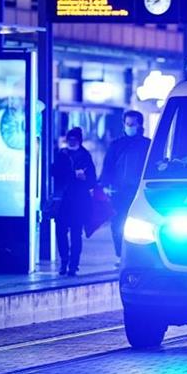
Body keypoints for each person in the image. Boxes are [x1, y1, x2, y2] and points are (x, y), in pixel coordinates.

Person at [99, 110, 152, 264]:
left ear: (139, 125)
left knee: (139, 225)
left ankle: (135, 256)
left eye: (132, 124)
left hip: (138, 192)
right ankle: (121, 254)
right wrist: (105, 185)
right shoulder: (117, 145)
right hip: (119, 192)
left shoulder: (147, 145)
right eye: (127, 124)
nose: (129, 127)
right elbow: (108, 166)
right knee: (117, 224)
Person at [53, 127, 96, 276]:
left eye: (74, 139)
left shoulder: (85, 156)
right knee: (61, 232)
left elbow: (92, 180)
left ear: (79, 140)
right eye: (69, 139)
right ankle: (64, 261)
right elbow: (55, 172)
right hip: (63, 200)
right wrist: (73, 174)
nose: (71, 142)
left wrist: (85, 178)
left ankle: (73, 264)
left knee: (76, 233)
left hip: (78, 201)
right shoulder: (61, 154)